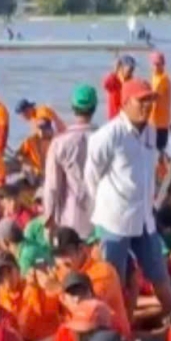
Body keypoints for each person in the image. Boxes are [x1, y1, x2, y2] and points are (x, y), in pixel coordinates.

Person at [85, 78, 171, 315]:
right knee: (112, 283)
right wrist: (104, 208)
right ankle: (117, 330)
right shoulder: (108, 135)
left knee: (160, 276)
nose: (148, 106)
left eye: (151, 100)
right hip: (115, 222)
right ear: (126, 103)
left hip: (145, 219)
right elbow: (91, 176)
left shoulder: (151, 132)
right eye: (142, 100)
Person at [42, 85, 98, 240]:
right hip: (103, 218)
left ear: (73, 108)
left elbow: (52, 186)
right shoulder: (106, 138)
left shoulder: (60, 142)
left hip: (71, 218)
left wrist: (49, 220)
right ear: (94, 108)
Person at [102, 55, 139, 120]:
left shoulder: (132, 82)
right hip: (114, 117)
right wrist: (115, 70)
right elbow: (106, 84)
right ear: (121, 67)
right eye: (129, 67)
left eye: (132, 68)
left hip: (128, 117)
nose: (131, 70)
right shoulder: (114, 80)